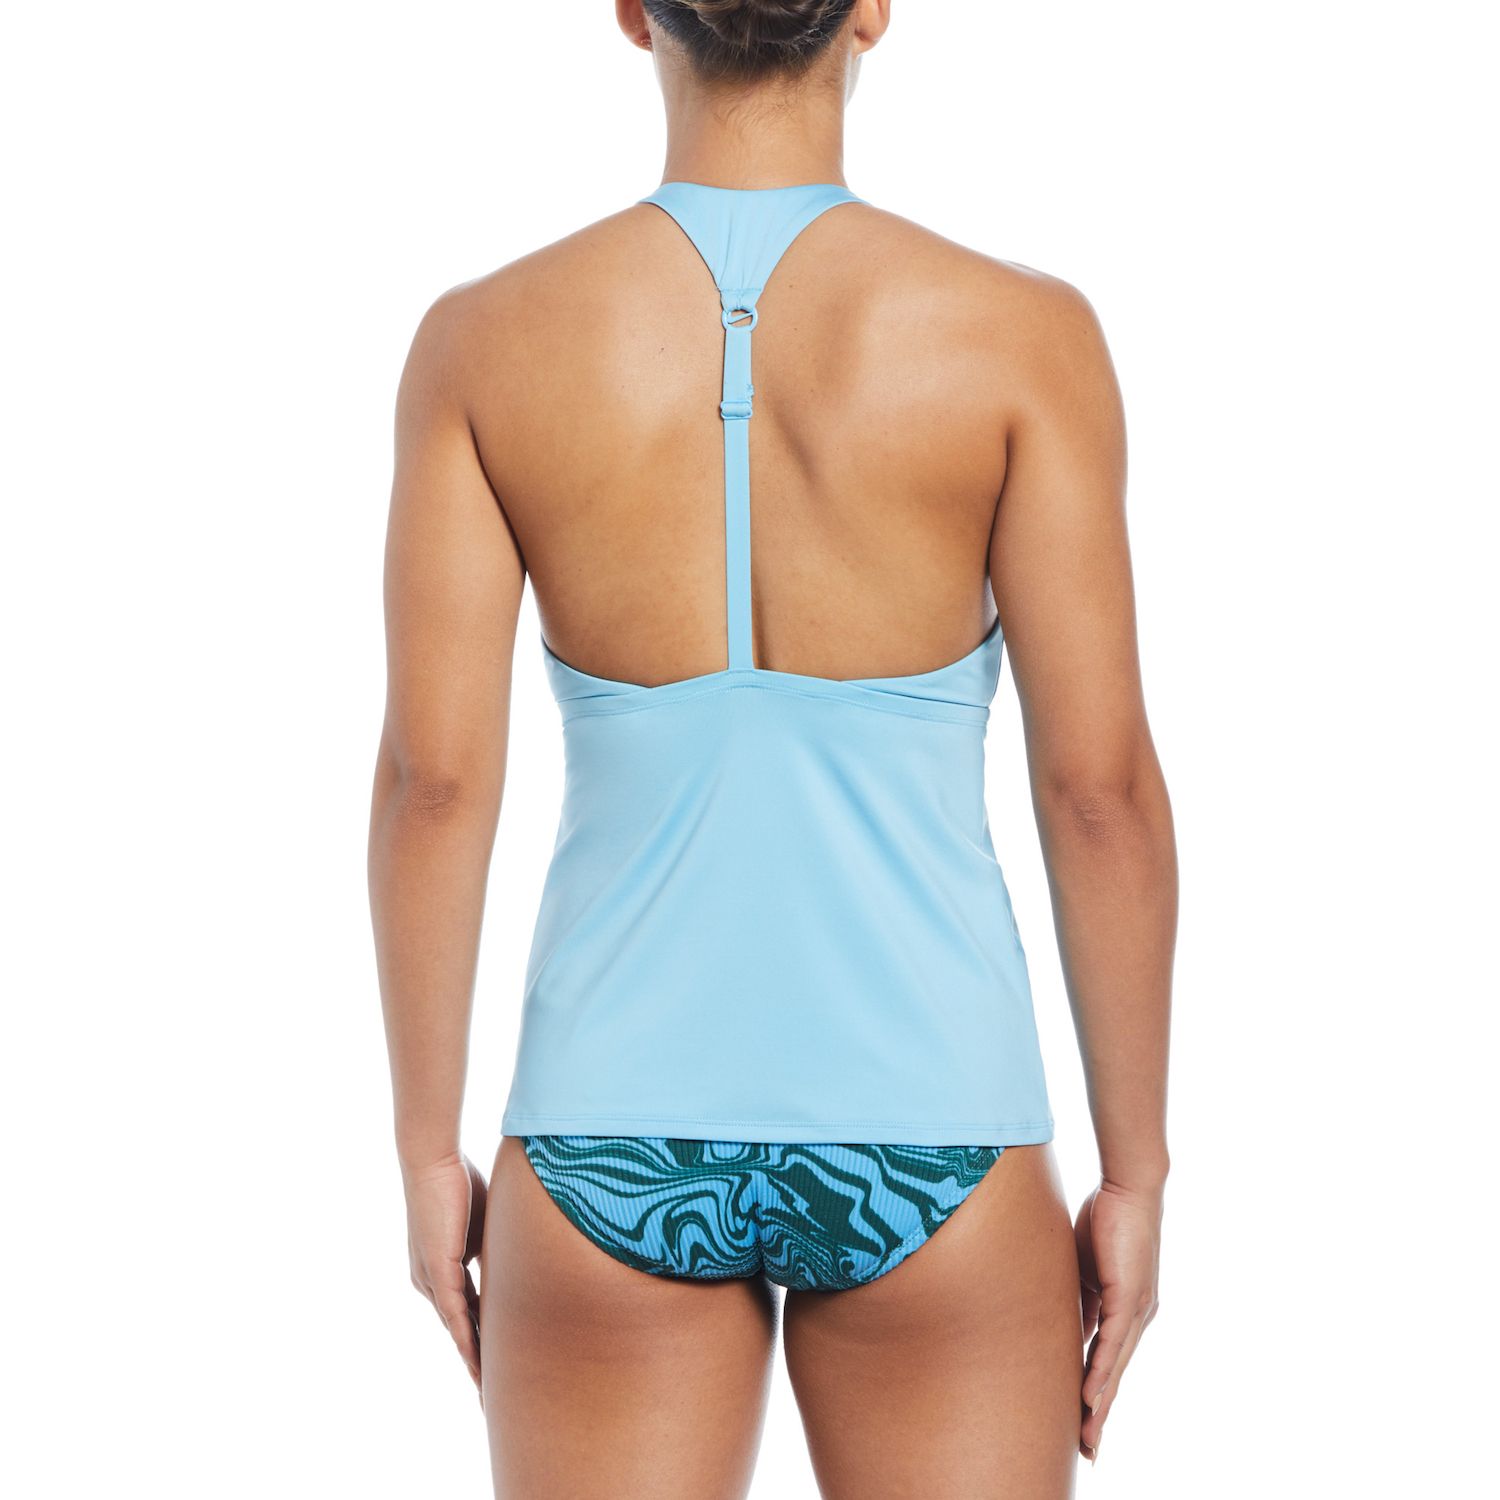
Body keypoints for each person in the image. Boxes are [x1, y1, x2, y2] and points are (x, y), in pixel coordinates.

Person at [369, 1, 1176, 1494]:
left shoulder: (484, 343)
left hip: (605, 1140)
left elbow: (437, 786)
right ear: (870, 11)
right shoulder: (1021, 337)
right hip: (937, 1132)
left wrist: (427, 1149)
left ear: (636, 13)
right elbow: (1099, 793)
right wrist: (1136, 1169)